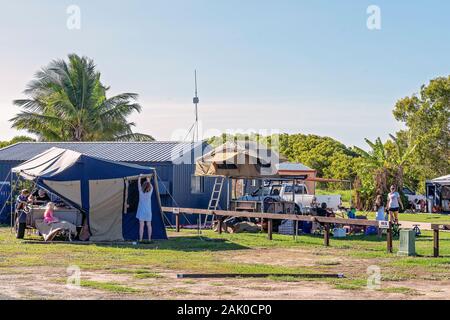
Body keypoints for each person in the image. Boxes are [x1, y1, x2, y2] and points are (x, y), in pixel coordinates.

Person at [136, 175, 154, 242]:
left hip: (142, 211)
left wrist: (139, 178)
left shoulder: (141, 192)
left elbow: (139, 184)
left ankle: (140, 239)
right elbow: (151, 186)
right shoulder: (150, 193)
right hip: (148, 211)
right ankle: (149, 239)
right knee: (149, 225)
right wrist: (148, 179)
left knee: (141, 226)